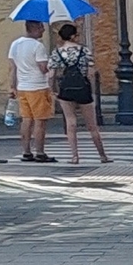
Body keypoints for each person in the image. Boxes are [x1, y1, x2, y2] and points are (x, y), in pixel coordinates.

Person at [48, 21, 111, 165]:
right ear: (72, 36)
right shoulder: (85, 51)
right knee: (92, 125)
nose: (78, 37)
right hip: (83, 89)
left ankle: (75, 156)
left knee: (71, 123)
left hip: (66, 89)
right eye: (76, 35)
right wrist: (93, 91)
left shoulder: (57, 52)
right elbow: (91, 73)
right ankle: (102, 155)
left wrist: (51, 91)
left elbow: (51, 74)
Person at [8, 18, 54, 163]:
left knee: (26, 120)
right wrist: (51, 67)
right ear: (33, 28)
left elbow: (12, 68)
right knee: (40, 121)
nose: (43, 30)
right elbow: (42, 68)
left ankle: (26, 151)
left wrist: (12, 86)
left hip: (23, 87)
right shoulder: (38, 46)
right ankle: (40, 152)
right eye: (40, 27)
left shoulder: (15, 45)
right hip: (38, 86)